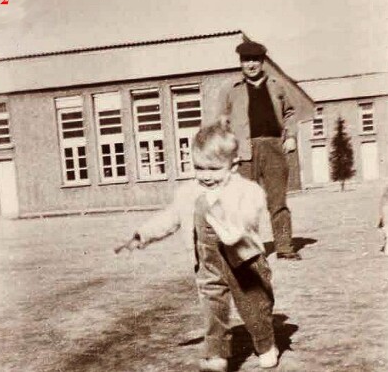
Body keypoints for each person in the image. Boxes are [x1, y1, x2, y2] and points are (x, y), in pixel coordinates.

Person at [116, 122, 278, 371]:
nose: (206, 176)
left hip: (245, 262)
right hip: (208, 264)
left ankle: (266, 344)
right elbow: (171, 217)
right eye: (199, 168)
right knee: (213, 311)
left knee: (254, 308)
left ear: (233, 165)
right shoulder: (188, 192)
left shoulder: (245, 189)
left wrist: (234, 222)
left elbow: (252, 209)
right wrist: (142, 235)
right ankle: (216, 355)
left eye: (214, 169)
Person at [218, 40, 301, 260]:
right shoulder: (230, 89)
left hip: (274, 148)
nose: (251, 64)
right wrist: (229, 152)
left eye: (255, 60)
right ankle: (249, 251)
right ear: (240, 63)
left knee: (278, 201)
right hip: (244, 151)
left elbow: (290, 113)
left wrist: (291, 137)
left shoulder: (277, 85)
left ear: (263, 61)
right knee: (245, 203)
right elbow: (222, 122)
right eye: (246, 60)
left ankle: (284, 247)